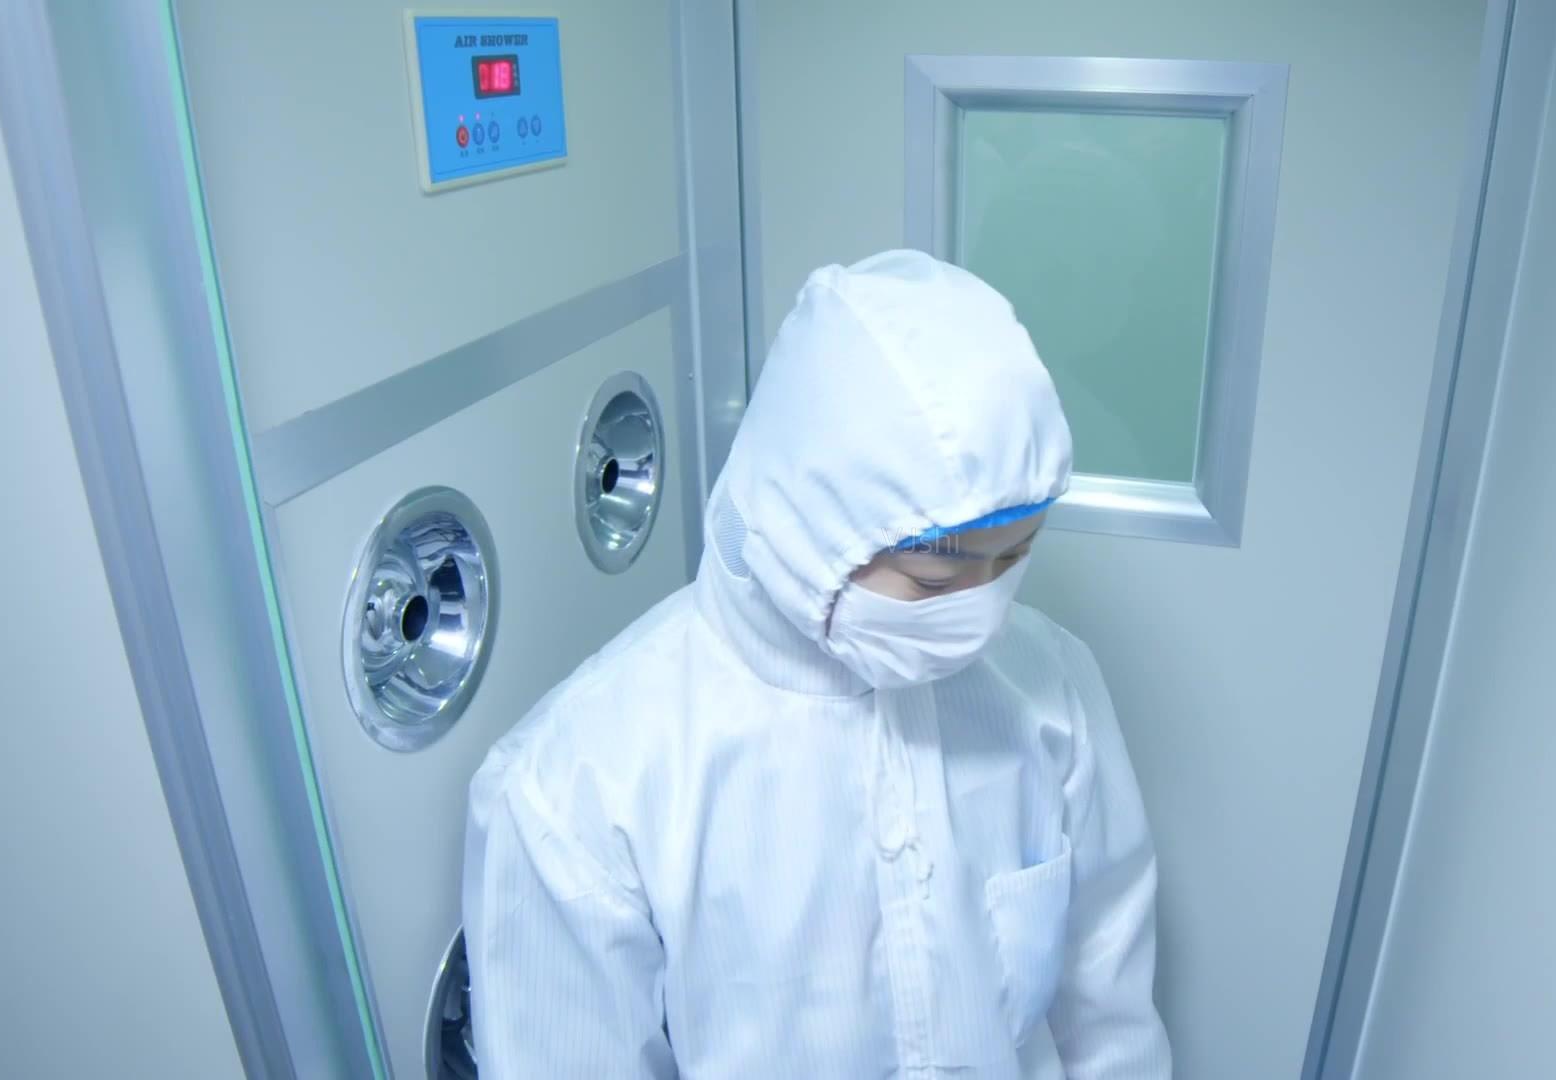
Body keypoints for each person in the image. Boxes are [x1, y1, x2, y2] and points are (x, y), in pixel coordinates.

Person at [462, 249, 1171, 1077]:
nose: (981, 613)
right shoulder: (578, 787)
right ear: (807, 527)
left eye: (1014, 559)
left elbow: (1110, 1017)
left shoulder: (1049, 688)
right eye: (935, 580)